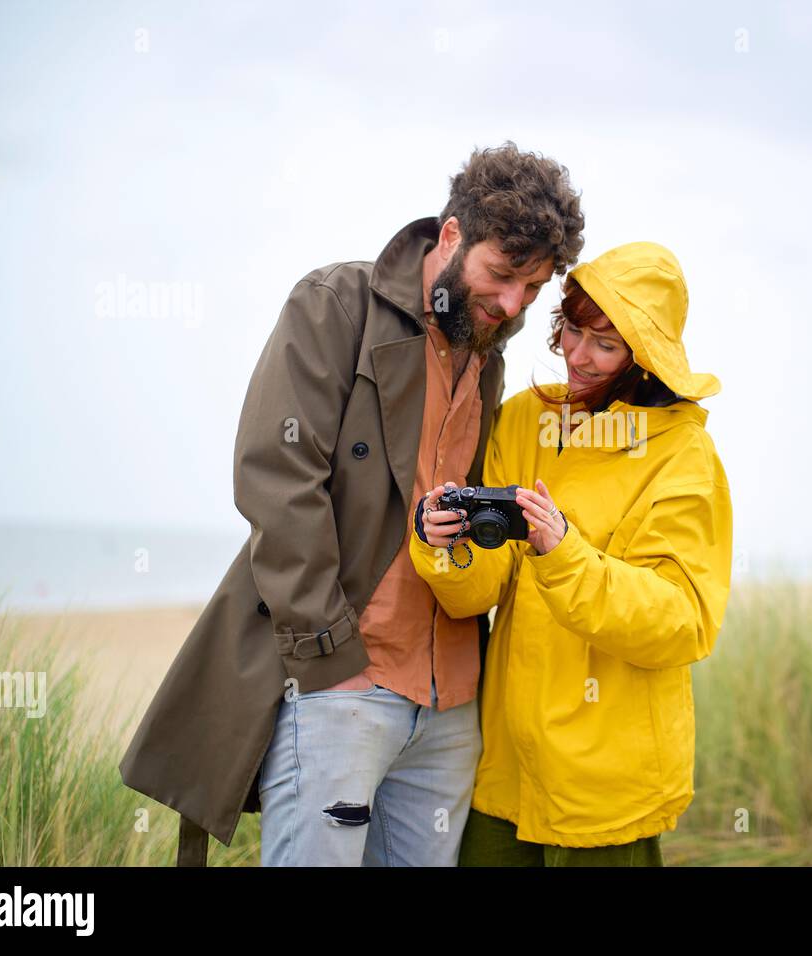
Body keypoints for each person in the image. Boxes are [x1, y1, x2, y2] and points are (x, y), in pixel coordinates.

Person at [118, 142, 585, 867]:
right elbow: (276, 474)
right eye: (502, 276)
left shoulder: (487, 353)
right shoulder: (336, 305)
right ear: (452, 235)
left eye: (533, 288)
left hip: (453, 707)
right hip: (346, 687)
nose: (513, 304)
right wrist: (330, 653)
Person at [410, 241, 732, 865]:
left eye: (605, 345)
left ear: (645, 358)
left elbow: (682, 623)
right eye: (572, 330)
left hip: (608, 793)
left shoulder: (684, 459)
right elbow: (482, 591)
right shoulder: (526, 419)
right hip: (504, 775)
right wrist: (446, 545)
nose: (579, 356)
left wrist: (563, 554)